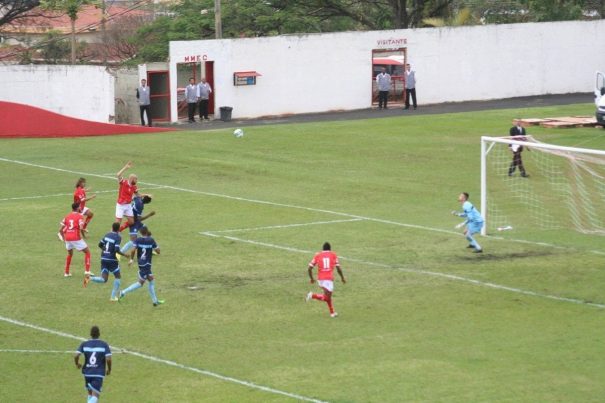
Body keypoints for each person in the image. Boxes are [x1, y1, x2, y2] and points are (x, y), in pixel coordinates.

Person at [118, 226, 164, 306]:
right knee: (140, 283)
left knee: (151, 280)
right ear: (147, 231)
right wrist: (157, 248)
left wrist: (132, 259)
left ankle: (155, 301)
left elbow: (133, 250)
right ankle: (123, 292)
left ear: (141, 233)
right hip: (146, 264)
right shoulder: (151, 240)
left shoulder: (138, 240)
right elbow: (158, 251)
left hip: (141, 263)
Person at [84, 222, 126, 301]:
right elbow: (116, 249)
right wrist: (125, 255)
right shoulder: (118, 237)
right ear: (118, 229)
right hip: (112, 260)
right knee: (118, 276)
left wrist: (105, 250)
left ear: (112, 227)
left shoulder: (107, 235)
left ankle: (89, 278)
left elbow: (100, 244)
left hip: (103, 258)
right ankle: (113, 297)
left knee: (104, 279)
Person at [305, 242, 346, 318]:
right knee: (327, 297)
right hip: (328, 279)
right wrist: (342, 278)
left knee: (328, 297)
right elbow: (338, 269)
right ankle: (312, 295)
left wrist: (312, 279)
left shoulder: (318, 255)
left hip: (320, 279)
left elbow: (309, 268)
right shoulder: (333, 254)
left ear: (323, 249)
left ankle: (332, 313)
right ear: (330, 249)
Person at [75, 326, 111, 403]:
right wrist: (109, 369)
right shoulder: (104, 344)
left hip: (87, 373)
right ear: (99, 334)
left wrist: (77, 364)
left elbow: (76, 355)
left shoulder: (84, 344)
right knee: (95, 396)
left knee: (90, 394)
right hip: (98, 373)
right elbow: (108, 359)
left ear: (91, 334)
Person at [120, 195, 155, 265]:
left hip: (137, 222)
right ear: (147, 202)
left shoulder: (138, 198)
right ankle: (120, 252)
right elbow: (139, 219)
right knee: (133, 240)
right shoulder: (140, 206)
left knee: (148, 233)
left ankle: (149, 249)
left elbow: (133, 196)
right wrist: (149, 215)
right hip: (134, 223)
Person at [59, 202, 93, 277]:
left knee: (70, 254)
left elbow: (60, 230)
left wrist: (64, 239)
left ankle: (66, 272)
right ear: (77, 208)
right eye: (80, 207)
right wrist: (84, 230)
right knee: (87, 252)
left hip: (68, 237)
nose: (81, 208)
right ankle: (87, 271)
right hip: (75, 237)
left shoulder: (67, 216)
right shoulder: (80, 216)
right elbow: (81, 227)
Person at [114, 161, 145, 231]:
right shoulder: (124, 182)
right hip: (121, 205)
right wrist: (126, 167)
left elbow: (138, 195)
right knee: (117, 222)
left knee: (131, 221)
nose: (136, 181)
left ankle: (119, 230)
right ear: (131, 179)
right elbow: (118, 175)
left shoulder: (134, 187)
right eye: (136, 179)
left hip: (128, 206)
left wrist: (146, 195)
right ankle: (112, 233)